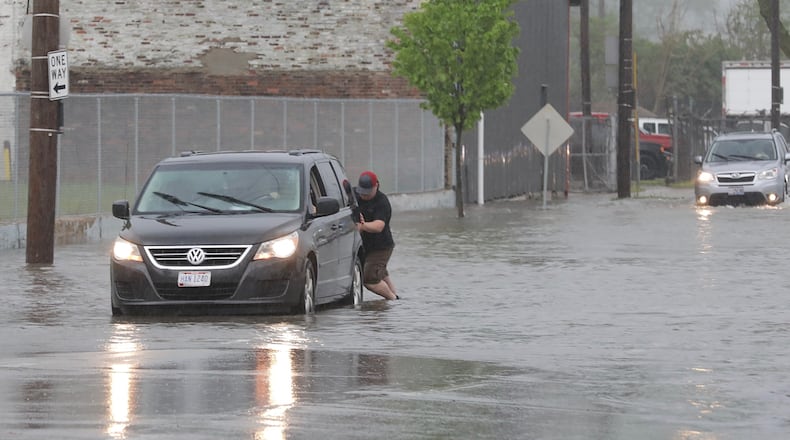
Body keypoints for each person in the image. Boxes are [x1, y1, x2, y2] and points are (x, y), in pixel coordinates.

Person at [355, 171, 398, 300]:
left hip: (381, 247)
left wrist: (362, 226)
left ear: (377, 186)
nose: (364, 195)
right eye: (362, 191)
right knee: (380, 272)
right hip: (365, 246)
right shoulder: (354, 195)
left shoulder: (382, 202)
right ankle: (396, 301)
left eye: (368, 191)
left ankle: (392, 298)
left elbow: (379, 226)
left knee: (369, 279)